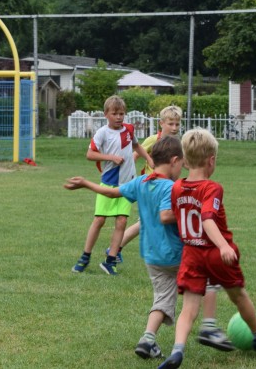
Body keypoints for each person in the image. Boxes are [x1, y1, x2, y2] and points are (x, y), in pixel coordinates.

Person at [65, 136, 232, 359]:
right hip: (176, 254)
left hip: (152, 257)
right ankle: (209, 326)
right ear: (174, 161)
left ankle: (148, 340)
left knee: (162, 299)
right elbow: (165, 216)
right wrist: (196, 208)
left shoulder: (141, 182)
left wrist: (86, 184)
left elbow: (112, 192)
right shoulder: (169, 187)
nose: (182, 168)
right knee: (211, 276)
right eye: (182, 164)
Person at [159, 128, 256, 369]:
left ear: (184, 161)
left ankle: (177, 350)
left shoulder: (176, 187)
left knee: (189, 307)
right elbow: (207, 218)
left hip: (191, 253)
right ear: (211, 160)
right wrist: (223, 246)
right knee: (238, 295)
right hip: (214, 252)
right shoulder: (212, 187)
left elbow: (177, 215)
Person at [71, 95, 154, 276]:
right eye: (115, 113)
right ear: (106, 114)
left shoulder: (129, 130)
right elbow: (90, 154)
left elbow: (137, 146)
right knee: (99, 220)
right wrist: (110, 158)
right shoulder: (102, 133)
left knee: (122, 220)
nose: (119, 117)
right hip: (108, 182)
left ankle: (110, 261)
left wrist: (149, 159)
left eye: (121, 114)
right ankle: (85, 257)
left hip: (128, 184)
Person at [117, 105, 183, 259]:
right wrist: (130, 174)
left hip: (168, 187)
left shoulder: (177, 142)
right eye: (170, 124)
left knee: (157, 221)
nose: (174, 128)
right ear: (161, 123)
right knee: (144, 223)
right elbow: (135, 155)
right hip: (152, 186)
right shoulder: (154, 140)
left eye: (177, 124)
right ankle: (115, 248)